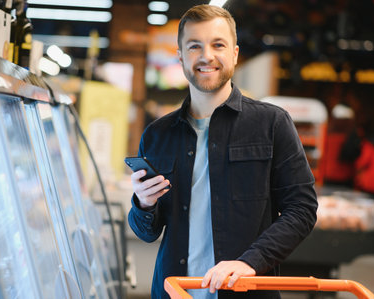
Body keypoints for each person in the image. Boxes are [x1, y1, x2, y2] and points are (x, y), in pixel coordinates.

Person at [128, 4, 318, 299]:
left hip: (246, 292)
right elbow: (147, 232)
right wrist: (143, 204)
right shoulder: (157, 136)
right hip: (174, 292)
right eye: (194, 47)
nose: (206, 56)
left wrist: (250, 262)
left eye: (218, 45)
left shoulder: (272, 123)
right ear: (180, 56)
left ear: (235, 54)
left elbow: (302, 209)